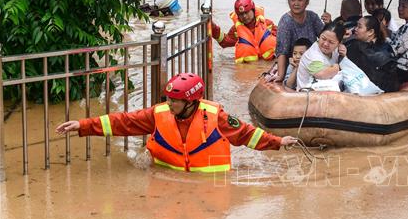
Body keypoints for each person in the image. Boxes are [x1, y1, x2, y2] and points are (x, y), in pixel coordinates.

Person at [55, 73, 297, 172]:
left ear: (191, 102)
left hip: (209, 184)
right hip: (165, 172)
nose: (170, 105)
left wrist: (278, 141)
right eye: (169, 99)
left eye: (175, 101)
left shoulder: (216, 116)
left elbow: (246, 134)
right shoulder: (159, 113)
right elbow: (123, 122)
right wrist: (83, 125)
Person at [269, 0, 324, 82]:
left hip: (312, 61)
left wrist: (329, 23)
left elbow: (325, 38)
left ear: (307, 2)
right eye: (293, 0)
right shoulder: (285, 21)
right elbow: (282, 51)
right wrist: (281, 76)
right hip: (293, 63)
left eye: (300, 0)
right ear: (288, 1)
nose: (296, 3)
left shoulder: (312, 17)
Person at [211, 0, 277, 64]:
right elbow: (224, 42)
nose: (244, 16)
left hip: (269, 63)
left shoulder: (267, 24)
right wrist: (212, 26)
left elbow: (282, 39)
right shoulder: (236, 30)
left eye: (247, 12)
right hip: (250, 67)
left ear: (253, 10)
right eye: (241, 14)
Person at [345, 16, 399, 92]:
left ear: (370, 32)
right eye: (356, 26)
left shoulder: (355, 46)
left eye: (359, 27)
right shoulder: (387, 46)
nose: (355, 29)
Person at [296, 23, 347, 90]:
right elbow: (321, 75)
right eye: (323, 38)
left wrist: (343, 56)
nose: (325, 44)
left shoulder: (337, 50)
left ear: (339, 43)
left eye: (331, 42)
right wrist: (337, 67)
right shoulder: (312, 54)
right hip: (307, 95)